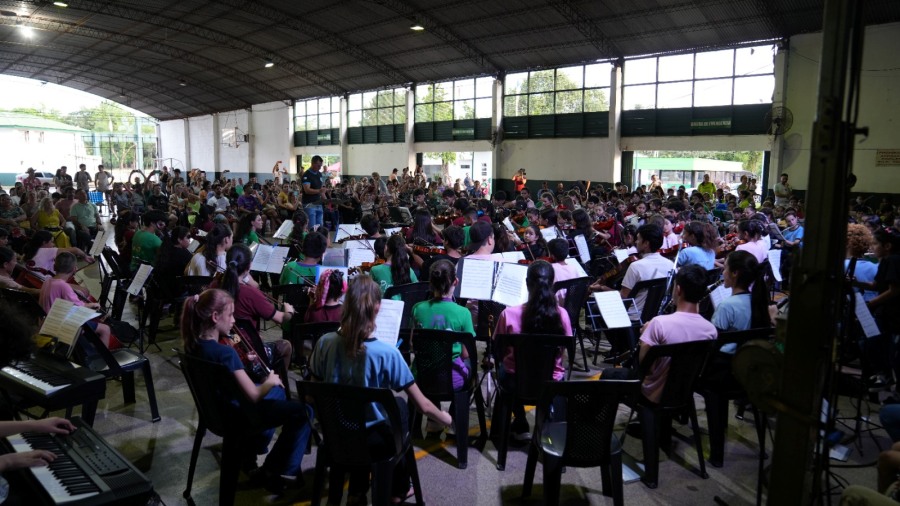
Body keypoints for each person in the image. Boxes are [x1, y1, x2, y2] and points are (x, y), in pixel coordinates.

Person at [308, 275, 452, 505]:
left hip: (336, 434)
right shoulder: (388, 354)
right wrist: (446, 418)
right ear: (377, 308)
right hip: (372, 442)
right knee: (400, 409)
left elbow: (312, 392)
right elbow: (423, 405)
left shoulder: (324, 343)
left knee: (361, 414)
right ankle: (398, 490)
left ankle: (357, 490)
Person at [181, 289, 312, 494]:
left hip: (216, 414)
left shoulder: (192, 346)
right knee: (303, 411)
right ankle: (275, 470)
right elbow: (253, 395)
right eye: (231, 315)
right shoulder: (225, 352)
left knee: (277, 395)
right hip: (239, 416)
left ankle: (251, 454)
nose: (234, 321)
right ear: (215, 317)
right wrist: (269, 380)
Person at [493, 260, 572, 440]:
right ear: (552, 283)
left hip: (516, 381)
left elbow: (498, 348)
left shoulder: (508, 314)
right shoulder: (562, 315)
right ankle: (546, 424)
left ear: (527, 283)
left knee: (504, 368)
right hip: (550, 382)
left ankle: (520, 422)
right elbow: (564, 351)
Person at [215, 243, 294, 397]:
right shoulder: (250, 294)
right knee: (286, 346)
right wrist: (289, 312)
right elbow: (280, 319)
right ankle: (273, 384)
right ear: (249, 266)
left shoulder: (215, 285)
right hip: (248, 347)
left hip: (228, 340)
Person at [633, 264, 717, 404]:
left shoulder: (658, 323)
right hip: (684, 393)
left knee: (610, 374)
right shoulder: (711, 330)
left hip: (651, 395)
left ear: (678, 290)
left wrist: (644, 337)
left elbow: (645, 366)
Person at [591, 224, 674, 318]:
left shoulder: (636, 266)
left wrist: (602, 288)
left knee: (594, 307)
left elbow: (623, 297)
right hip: (657, 315)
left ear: (646, 243)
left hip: (633, 316)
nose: (636, 242)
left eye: (638, 239)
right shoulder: (670, 265)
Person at [39, 252, 112, 347]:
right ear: (74, 269)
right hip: (59, 326)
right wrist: (94, 305)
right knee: (105, 329)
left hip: (45, 324)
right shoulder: (63, 285)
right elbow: (79, 306)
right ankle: (103, 360)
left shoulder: (47, 281)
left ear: (54, 267)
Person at [713, 251, 771, 333]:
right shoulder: (757, 299)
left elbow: (715, 341)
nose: (723, 272)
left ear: (735, 273)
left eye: (725, 268)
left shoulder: (725, 306)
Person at [301, 155, 326, 231]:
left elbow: (321, 189)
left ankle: (318, 242)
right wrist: (319, 191)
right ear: (313, 164)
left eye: (321, 165)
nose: (320, 167)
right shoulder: (306, 175)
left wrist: (327, 201)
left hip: (319, 203)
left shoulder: (319, 174)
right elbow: (307, 190)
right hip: (309, 204)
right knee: (312, 228)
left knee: (320, 227)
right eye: (318, 165)